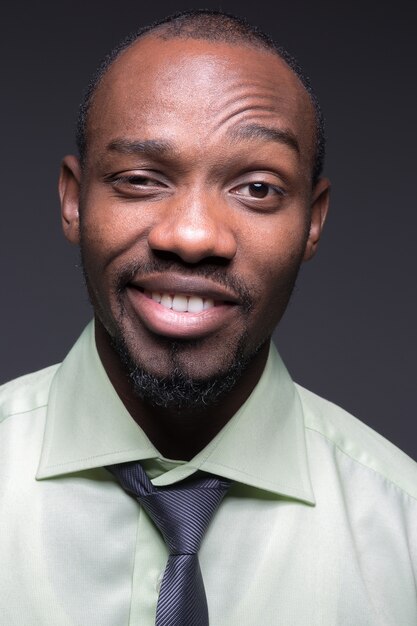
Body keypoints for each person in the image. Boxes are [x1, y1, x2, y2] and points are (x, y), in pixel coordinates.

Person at [1, 9, 416, 626]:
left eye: (257, 188)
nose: (193, 237)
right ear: (73, 200)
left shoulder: (405, 531)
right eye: (141, 179)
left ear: (313, 221)